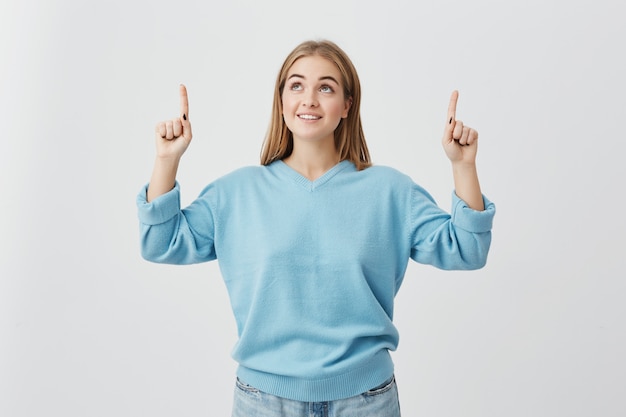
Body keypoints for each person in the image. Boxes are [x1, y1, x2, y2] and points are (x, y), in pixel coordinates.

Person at [137, 39, 495, 417]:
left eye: (325, 87)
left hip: (365, 401)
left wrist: (463, 166)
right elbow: (160, 244)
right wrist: (166, 160)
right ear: (281, 101)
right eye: (296, 85)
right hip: (263, 402)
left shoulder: (390, 191)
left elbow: (467, 250)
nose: (309, 99)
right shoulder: (235, 193)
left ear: (346, 106)